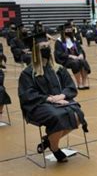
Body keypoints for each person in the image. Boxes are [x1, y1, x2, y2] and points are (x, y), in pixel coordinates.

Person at [18, 32, 88, 163]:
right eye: (42, 47)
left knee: (78, 115)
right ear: (36, 51)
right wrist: (50, 99)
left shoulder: (58, 69)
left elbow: (70, 86)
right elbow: (28, 94)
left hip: (60, 101)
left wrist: (62, 95)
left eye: (47, 46)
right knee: (57, 117)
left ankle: (48, 140)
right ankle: (55, 148)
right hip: (39, 105)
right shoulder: (28, 73)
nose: (47, 49)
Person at [54, 23, 91, 90]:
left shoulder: (73, 40)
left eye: (70, 30)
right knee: (75, 63)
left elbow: (80, 49)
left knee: (83, 62)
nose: (69, 31)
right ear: (63, 31)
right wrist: (70, 56)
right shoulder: (59, 41)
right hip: (66, 59)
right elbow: (59, 53)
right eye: (67, 30)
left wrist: (81, 54)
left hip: (76, 58)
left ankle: (84, 83)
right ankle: (79, 83)